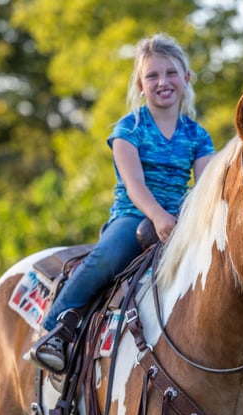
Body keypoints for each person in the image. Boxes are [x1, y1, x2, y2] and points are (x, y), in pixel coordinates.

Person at [26, 33, 214, 372]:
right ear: (141, 85)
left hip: (182, 218)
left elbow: (204, 187)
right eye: (152, 76)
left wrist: (192, 221)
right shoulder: (130, 128)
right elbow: (133, 184)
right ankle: (56, 328)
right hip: (135, 215)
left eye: (171, 73)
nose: (163, 82)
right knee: (106, 258)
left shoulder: (198, 135)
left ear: (186, 79)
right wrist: (158, 217)